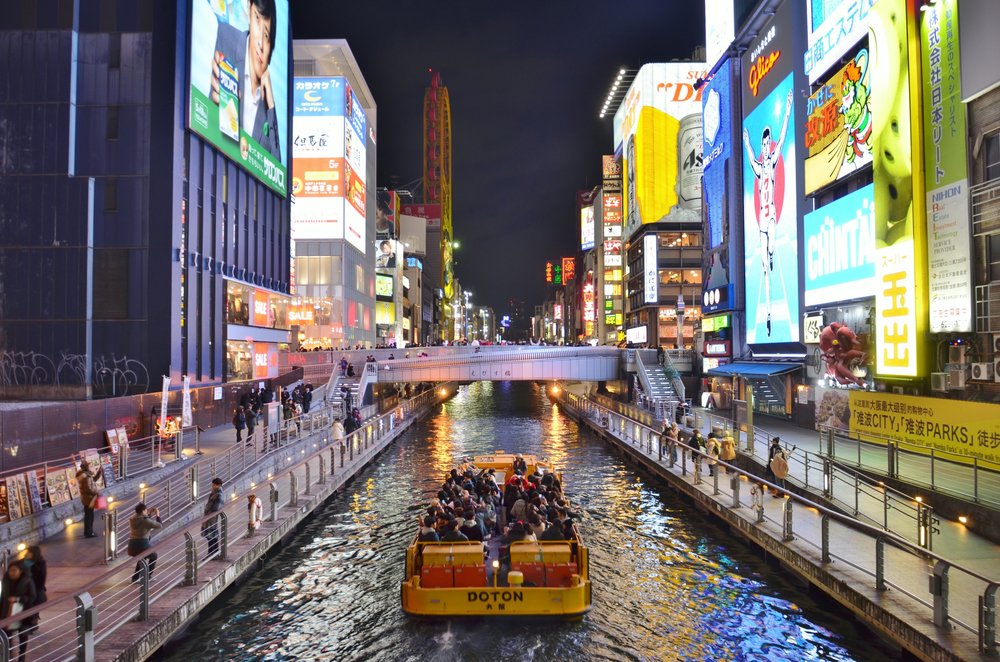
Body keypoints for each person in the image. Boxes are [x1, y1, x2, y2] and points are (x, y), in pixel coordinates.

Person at [743, 89, 793, 337]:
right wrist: (745, 141)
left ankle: (771, 254)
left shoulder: (772, 161)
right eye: (763, 144)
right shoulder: (758, 165)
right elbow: (750, 155)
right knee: (764, 267)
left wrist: (786, 112)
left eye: (766, 143)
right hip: (761, 219)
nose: (765, 147)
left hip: (771, 213)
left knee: (772, 248)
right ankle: (769, 316)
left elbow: (783, 137)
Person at [209, 0, 282, 160]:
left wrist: (271, 105)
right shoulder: (226, 37)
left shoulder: (266, 105)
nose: (260, 43)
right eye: (257, 18)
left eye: (266, 35)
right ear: (249, 11)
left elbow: (277, 168)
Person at [1, 562, 36, 662]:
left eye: (14, 570)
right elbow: (2, 598)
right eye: (10, 570)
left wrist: (18, 599)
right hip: (7, 613)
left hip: (23, 613)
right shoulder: (5, 581)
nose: (12, 573)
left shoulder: (27, 581)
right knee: (7, 635)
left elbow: (32, 596)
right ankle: (8, 654)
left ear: (21, 571)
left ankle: (22, 656)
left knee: (23, 635)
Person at [128, 503, 162, 583]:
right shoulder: (145, 521)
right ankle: (148, 576)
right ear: (143, 511)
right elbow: (159, 525)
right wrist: (157, 515)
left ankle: (135, 578)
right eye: (146, 510)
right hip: (142, 544)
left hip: (132, 544)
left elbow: (142, 521)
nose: (147, 511)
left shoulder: (133, 518)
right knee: (153, 556)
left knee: (141, 557)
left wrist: (149, 514)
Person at [76, 460, 100, 538]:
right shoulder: (85, 477)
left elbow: (93, 480)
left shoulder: (86, 475)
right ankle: (89, 532)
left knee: (89, 515)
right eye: (88, 465)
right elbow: (88, 489)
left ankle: (88, 531)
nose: (89, 466)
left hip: (88, 498)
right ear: (86, 467)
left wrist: (99, 472)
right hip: (89, 499)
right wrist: (96, 492)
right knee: (89, 516)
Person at [202, 478, 224, 557]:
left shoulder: (219, 494)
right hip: (210, 517)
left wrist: (209, 511)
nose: (212, 486)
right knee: (211, 535)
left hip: (211, 517)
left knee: (211, 535)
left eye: (214, 484)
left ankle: (212, 553)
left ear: (218, 485)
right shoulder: (215, 492)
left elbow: (216, 507)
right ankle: (214, 552)